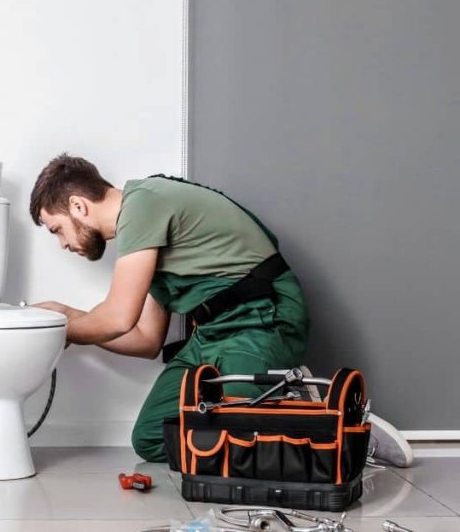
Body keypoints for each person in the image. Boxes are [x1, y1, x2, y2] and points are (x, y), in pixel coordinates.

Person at [28, 153, 413, 467]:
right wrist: (70, 321)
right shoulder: (140, 235)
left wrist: (60, 325)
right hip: (212, 336)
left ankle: (325, 422)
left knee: (240, 428)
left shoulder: (143, 205)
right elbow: (144, 339)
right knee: (150, 437)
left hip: (261, 321)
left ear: (77, 205)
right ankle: (273, 408)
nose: (62, 244)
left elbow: (116, 318)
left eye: (56, 229)